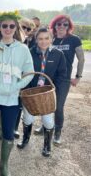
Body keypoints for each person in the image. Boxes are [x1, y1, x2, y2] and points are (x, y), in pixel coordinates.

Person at [0, 11, 34, 176]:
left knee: (8, 132)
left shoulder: (23, 49)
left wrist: (16, 87)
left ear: (16, 27)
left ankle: (4, 164)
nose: (8, 29)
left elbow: (29, 73)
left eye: (11, 26)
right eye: (4, 26)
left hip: (11, 99)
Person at [17, 27, 67, 157]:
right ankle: (25, 139)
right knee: (28, 118)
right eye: (40, 38)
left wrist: (54, 90)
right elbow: (24, 72)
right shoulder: (30, 52)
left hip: (47, 95)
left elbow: (62, 75)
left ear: (51, 39)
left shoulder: (58, 54)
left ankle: (47, 145)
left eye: (46, 38)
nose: (43, 41)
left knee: (48, 121)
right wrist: (23, 89)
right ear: (36, 39)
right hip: (31, 93)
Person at [48, 14, 85, 145]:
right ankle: (46, 126)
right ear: (54, 26)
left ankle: (57, 132)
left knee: (58, 107)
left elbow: (81, 59)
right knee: (47, 104)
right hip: (49, 78)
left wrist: (78, 77)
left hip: (64, 79)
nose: (62, 26)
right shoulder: (51, 39)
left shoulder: (74, 40)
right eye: (59, 24)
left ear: (69, 26)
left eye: (65, 24)